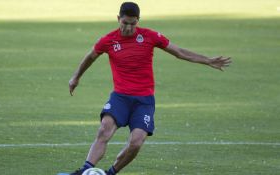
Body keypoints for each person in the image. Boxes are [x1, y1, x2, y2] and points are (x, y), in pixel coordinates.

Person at [68, 2, 231, 175]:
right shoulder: (108, 40)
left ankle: (110, 173)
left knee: (137, 142)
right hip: (120, 97)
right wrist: (76, 77)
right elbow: (90, 57)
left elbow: (179, 52)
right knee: (104, 129)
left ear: (138, 20)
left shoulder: (150, 36)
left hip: (144, 101)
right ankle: (85, 171)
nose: (129, 28)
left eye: (133, 23)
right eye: (125, 23)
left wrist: (207, 60)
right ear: (118, 19)